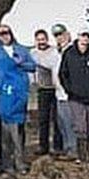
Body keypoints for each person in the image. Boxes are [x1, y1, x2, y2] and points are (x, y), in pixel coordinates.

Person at [0, 25, 35, 173]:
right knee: (4, 129)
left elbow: (32, 66)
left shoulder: (21, 50)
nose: (4, 36)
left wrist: (21, 63)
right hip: (1, 91)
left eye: (6, 33)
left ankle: (19, 162)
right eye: (1, 34)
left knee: (18, 128)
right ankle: (6, 163)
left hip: (18, 91)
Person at [59, 30, 89, 162]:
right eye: (83, 36)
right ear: (78, 37)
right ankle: (82, 157)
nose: (85, 39)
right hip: (76, 98)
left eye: (87, 37)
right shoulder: (69, 53)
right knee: (80, 128)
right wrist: (70, 91)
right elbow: (63, 74)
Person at [31, 28, 64, 157]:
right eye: (38, 40)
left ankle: (58, 146)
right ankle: (43, 146)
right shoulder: (32, 53)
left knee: (57, 119)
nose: (41, 42)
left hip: (55, 88)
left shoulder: (54, 52)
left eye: (43, 39)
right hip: (42, 88)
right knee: (43, 119)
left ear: (47, 39)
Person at [49, 25, 79, 158]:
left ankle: (74, 150)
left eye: (61, 34)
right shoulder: (57, 52)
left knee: (70, 123)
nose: (59, 37)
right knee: (63, 124)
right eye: (56, 35)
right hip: (59, 93)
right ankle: (68, 148)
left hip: (69, 94)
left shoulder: (73, 51)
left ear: (67, 34)